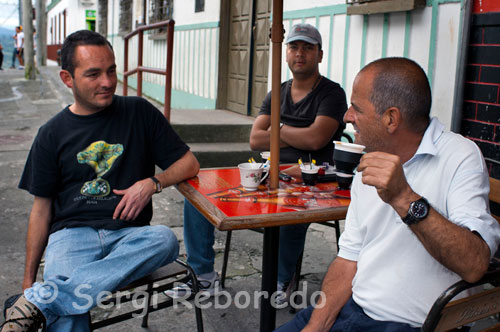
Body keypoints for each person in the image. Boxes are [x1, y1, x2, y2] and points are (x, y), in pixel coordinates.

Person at [275, 57, 500, 332]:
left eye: (356, 108)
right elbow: (349, 258)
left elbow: (474, 264)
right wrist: (318, 325)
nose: (347, 116)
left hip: (411, 326)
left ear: (391, 118)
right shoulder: (368, 163)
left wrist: (403, 197)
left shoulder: (459, 156)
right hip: (351, 311)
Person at [0, 30, 200, 332]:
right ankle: (42, 299)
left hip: (130, 237)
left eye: (111, 71)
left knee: (165, 239)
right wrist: (28, 282)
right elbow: (40, 210)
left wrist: (152, 183)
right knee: (69, 306)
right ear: (68, 79)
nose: (107, 82)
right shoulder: (51, 134)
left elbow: (189, 163)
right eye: (93, 74)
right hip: (71, 236)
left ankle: (43, 301)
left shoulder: (139, 112)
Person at [168, 23, 347, 302]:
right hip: (266, 171)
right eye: (294, 47)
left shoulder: (332, 93)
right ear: (286, 54)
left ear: (320, 55)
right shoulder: (277, 92)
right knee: (197, 191)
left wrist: (276, 131)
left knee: (289, 214)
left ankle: (281, 280)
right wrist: (291, 133)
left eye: (308, 48)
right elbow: (255, 139)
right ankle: (203, 275)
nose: (300, 53)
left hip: (309, 178)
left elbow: (315, 139)